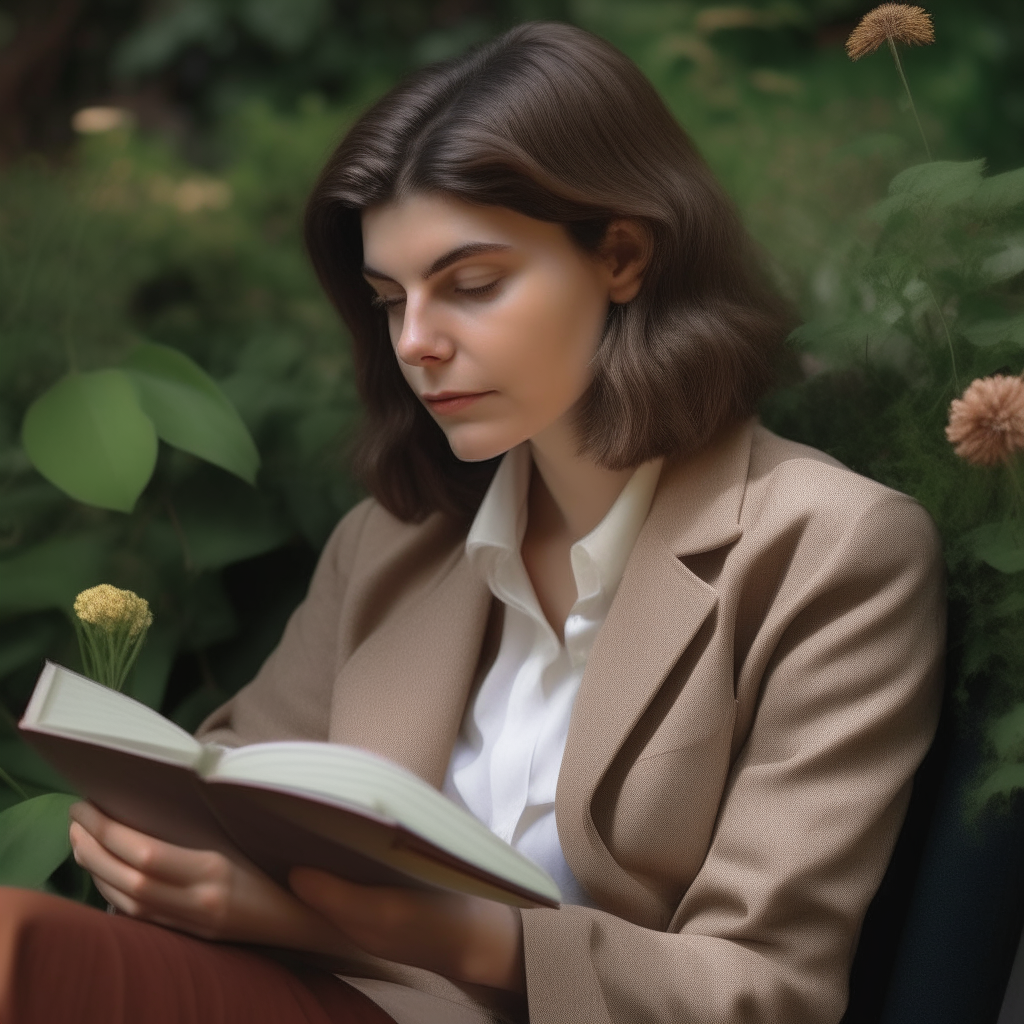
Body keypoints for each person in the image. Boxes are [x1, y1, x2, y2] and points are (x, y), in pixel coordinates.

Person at [0, 20, 945, 1024]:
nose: (415, 343)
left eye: (471, 285)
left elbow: (768, 991)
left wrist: (429, 931)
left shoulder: (830, 550)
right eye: (386, 298)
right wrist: (154, 854)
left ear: (621, 254)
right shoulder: (392, 540)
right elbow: (230, 790)